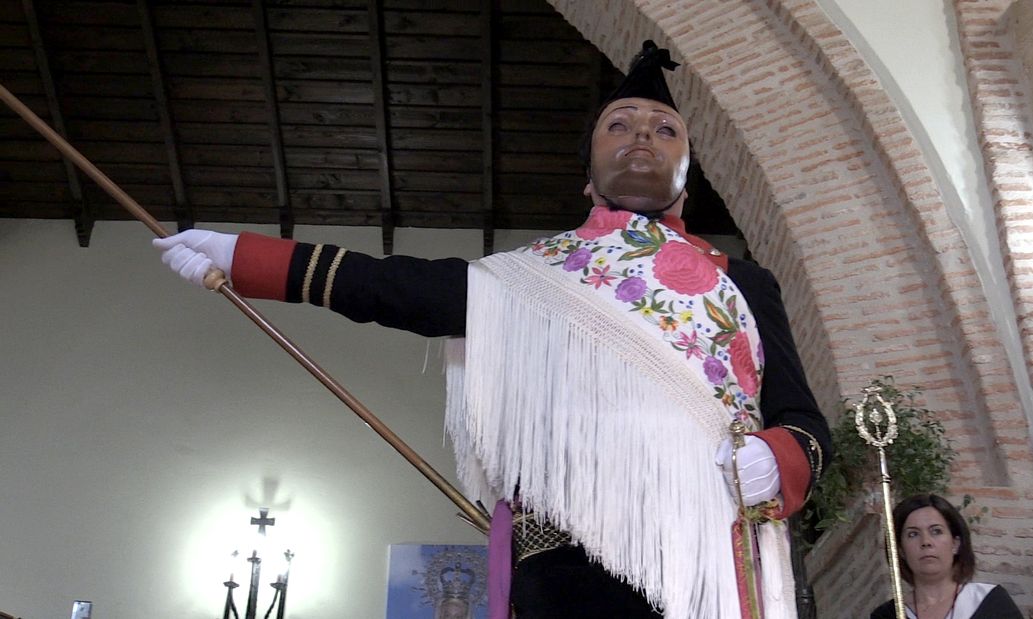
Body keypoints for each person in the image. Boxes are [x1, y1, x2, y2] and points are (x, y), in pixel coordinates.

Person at [154, 41, 831, 619]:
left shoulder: (744, 282)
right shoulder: (534, 276)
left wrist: (782, 455)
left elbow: (802, 419)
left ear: (688, 174)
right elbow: (395, 286)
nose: (641, 138)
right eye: (619, 126)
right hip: (565, 558)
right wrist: (243, 257)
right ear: (589, 177)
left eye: (663, 128)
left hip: (707, 545)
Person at [870, 494, 1024, 619]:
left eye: (936, 531)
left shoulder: (990, 601)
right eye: (913, 534)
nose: (926, 542)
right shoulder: (887, 615)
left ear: (955, 544)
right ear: (901, 551)